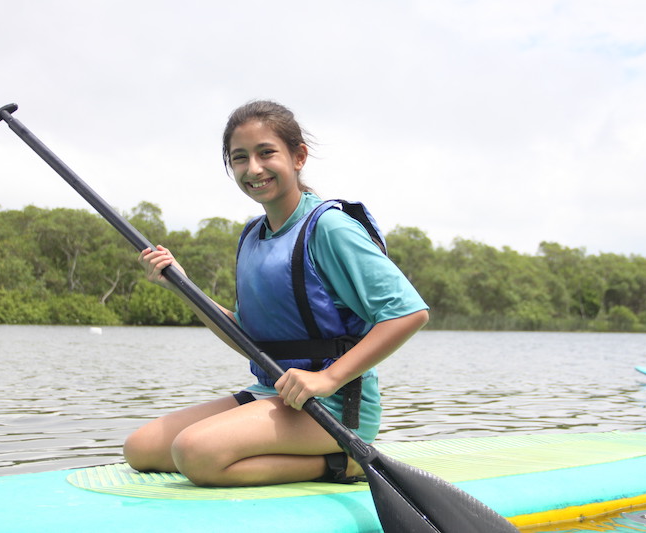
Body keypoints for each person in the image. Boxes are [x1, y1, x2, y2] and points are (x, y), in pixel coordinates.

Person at [123, 100, 429, 487]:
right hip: (273, 394)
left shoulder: (330, 227)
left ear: (298, 157)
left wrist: (328, 378)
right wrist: (183, 287)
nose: (253, 168)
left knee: (194, 453)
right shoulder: (253, 234)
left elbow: (409, 313)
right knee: (141, 449)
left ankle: (343, 463)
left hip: (333, 404)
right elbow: (245, 337)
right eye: (240, 158)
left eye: (266, 153)